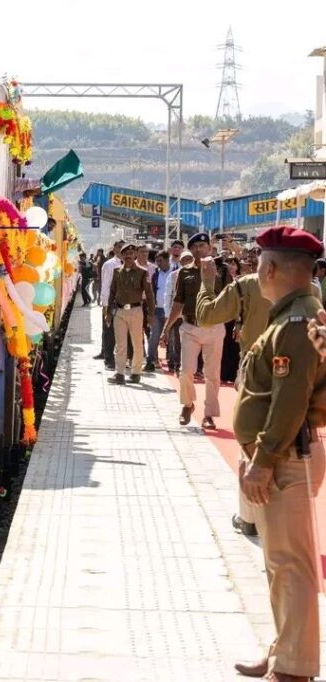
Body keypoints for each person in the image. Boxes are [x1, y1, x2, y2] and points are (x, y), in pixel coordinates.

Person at [233, 225, 326, 682]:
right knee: (279, 563)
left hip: (287, 454)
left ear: (270, 269)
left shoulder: (295, 322)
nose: (256, 272)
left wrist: (263, 459)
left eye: (258, 265)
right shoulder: (292, 316)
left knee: (291, 564)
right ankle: (284, 650)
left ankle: (294, 668)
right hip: (281, 453)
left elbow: (289, 401)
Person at [196, 255, 272, 537]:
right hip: (294, 379)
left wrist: (207, 283)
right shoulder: (310, 291)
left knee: (249, 444)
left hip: (255, 376)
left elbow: (207, 315)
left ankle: (249, 517)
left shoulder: (248, 285)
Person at [161, 233, 225, 429]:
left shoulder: (221, 270)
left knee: (212, 374)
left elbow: (230, 297)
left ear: (209, 248)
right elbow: (178, 301)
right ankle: (188, 404)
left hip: (214, 327)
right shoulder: (184, 272)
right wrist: (167, 327)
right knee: (186, 370)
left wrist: (238, 323)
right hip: (190, 326)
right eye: (194, 246)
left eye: (202, 245)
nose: (198, 249)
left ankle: (209, 414)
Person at [106, 243, 155, 384]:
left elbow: (149, 294)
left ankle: (136, 373)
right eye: (125, 253)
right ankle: (119, 374)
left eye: (131, 253)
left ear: (135, 255)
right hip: (119, 311)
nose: (128, 256)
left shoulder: (142, 272)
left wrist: (151, 314)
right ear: (121, 256)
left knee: (137, 343)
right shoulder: (117, 272)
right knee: (120, 344)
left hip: (136, 311)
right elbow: (112, 292)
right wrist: (108, 312)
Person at [97, 241, 125, 369]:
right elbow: (105, 285)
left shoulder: (129, 264)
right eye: (119, 247)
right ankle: (109, 359)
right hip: (111, 303)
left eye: (124, 247)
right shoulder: (109, 265)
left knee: (122, 332)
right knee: (109, 332)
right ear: (114, 248)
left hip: (125, 303)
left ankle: (122, 359)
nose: (121, 249)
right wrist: (106, 305)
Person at [145, 250, 172, 372]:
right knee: (154, 336)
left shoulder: (175, 272)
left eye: (160, 261)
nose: (158, 263)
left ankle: (173, 362)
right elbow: (151, 292)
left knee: (172, 337)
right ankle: (150, 361)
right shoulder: (156, 274)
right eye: (157, 261)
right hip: (157, 310)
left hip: (171, 311)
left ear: (167, 260)